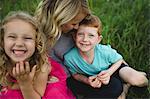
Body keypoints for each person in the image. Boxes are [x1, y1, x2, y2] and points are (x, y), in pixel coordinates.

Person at [35, 0, 148, 98]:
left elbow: (97, 49)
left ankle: (126, 82)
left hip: (104, 65)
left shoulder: (73, 31)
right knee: (112, 87)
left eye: (78, 23)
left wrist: (118, 66)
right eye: (74, 23)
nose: (77, 27)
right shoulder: (44, 38)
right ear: (61, 16)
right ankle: (123, 88)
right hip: (84, 74)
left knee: (134, 79)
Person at [0, 11, 75, 99]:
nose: (19, 43)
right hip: (23, 84)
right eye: (12, 37)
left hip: (36, 93)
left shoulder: (41, 66)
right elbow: (7, 83)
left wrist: (26, 84)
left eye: (27, 38)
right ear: (2, 41)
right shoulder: (2, 61)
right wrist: (16, 85)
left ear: (36, 42)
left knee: (53, 95)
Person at [64, 15, 125, 98]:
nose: (85, 39)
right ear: (74, 37)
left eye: (91, 35)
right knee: (70, 83)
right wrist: (86, 81)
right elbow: (75, 74)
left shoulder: (105, 51)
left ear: (98, 40)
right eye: (81, 34)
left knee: (116, 85)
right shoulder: (69, 57)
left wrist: (109, 72)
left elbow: (119, 60)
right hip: (88, 79)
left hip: (105, 76)